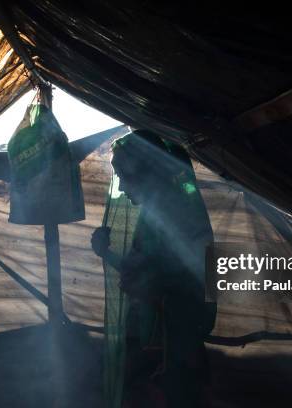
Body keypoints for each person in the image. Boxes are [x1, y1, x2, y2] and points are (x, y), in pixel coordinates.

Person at [92, 130, 216, 408]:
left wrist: (112, 257)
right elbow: (143, 272)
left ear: (145, 173)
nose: (121, 186)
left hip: (175, 351)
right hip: (167, 345)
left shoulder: (174, 217)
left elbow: (163, 278)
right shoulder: (157, 215)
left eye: (123, 174)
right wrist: (106, 253)